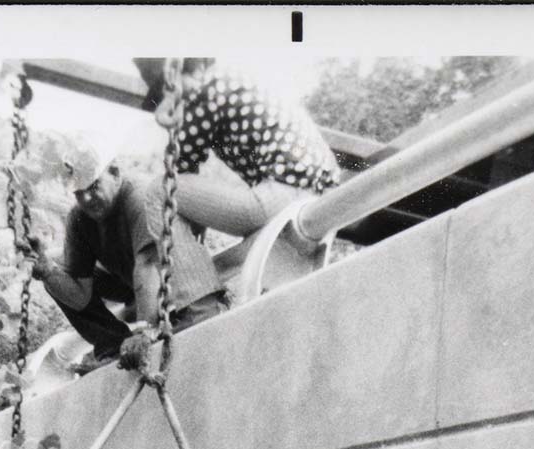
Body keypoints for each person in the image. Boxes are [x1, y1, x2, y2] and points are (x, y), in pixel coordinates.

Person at [26, 142, 227, 371]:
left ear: (114, 173)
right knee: (58, 269)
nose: (88, 198)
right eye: (79, 193)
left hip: (180, 289)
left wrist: (144, 332)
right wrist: (48, 272)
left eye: (94, 186)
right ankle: (113, 346)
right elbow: (81, 296)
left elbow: (148, 265)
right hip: (138, 288)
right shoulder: (80, 219)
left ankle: (153, 332)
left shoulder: (140, 196)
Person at [132, 58, 341, 239]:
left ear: (175, 75)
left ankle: (197, 286)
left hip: (282, 195)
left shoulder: (203, 90)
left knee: (160, 190)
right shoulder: (229, 78)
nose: (169, 101)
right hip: (316, 190)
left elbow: (181, 166)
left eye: (165, 91)